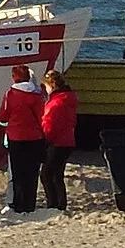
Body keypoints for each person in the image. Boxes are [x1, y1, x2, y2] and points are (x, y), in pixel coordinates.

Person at [0, 63, 46, 214]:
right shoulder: (37, 95)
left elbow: (3, 116)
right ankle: (29, 204)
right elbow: (41, 116)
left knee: (17, 172)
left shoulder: (11, 94)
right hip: (35, 137)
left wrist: (7, 124)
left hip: (16, 136)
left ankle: (17, 204)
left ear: (14, 78)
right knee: (31, 172)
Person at [39, 68, 78, 213]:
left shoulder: (55, 104)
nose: (46, 89)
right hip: (67, 141)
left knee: (46, 175)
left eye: (46, 86)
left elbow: (50, 125)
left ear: (52, 86)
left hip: (56, 142)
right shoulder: (68, 100)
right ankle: (60, 204)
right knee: (57, 174)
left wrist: (44, 141)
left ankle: (53, 204)